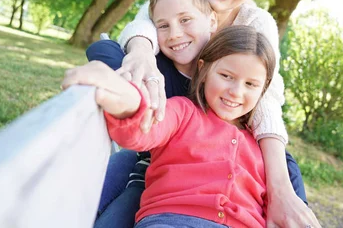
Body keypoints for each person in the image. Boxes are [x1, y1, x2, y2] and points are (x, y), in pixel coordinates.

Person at [87, 0, 319, 228]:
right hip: (169, 116)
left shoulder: (256, 25)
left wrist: (280, 190)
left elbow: (267, 96)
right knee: (108, 198)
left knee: (284, 168)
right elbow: (141, 26)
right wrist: (143, 52)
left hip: (227, 131)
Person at [63, 26, 277, 227]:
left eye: (250, 84)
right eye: (226, 76)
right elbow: (144, 128)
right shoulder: (183, 112)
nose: (236, 92)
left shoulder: (263, 145)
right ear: (203, 70)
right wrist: (124, 98)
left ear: (263, 89)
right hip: (172, 219)